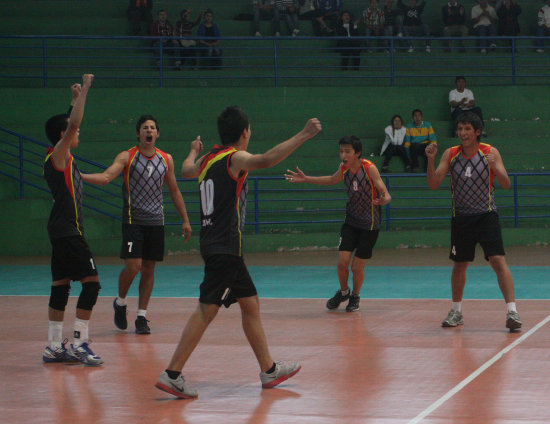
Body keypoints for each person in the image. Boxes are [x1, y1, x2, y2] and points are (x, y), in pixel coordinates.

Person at [154, 107, 321, 399]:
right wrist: (304, 134)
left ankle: (268, 370)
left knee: (250, 304)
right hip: (225, 247)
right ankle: (172, 374)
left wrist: (193, 151)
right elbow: (266, 159)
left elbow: (184, 170)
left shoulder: (207, 160)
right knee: (207, 309)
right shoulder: (234, 157)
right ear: (244, 133)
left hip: (216, 244)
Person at [80, 115, 192, 335]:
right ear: (138, 133)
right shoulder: (127, 156)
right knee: (133, 266)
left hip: (155, 222)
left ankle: (141, 316)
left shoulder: (165, 159)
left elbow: (174, 190)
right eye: (144, 128)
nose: (148, 131)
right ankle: (120, 302)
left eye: (152, 128)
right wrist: (80, 175)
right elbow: (105, 177)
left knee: (149, 268)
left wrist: (185, 219)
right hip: (133, 221)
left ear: (157, 134)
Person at [425, 111, 522, 332]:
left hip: (486, 215)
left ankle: (512, 312)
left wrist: (495, 166)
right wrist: (430, 160)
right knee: (460, 265)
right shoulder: (450, 155)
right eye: (460, 129)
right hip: (461, 218)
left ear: (477, 131)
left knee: (498, 261)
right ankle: (456, 311)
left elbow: (506, 184)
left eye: (468, 129)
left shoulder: (490, 152)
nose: (463, 133)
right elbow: (433, 183)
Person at [285, 136, 391, 313]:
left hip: (370, 224)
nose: (343, 154)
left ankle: (355, 296)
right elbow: (331, 179)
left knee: (357, 266)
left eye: (347, 151)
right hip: (351, 221)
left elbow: (385, 192)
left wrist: (384, 199)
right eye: (341, 151)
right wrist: (306, 179)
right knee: (342, 262)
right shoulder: (344, 168)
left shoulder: (369, 168)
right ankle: (344, 292)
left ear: (357, 153)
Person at [42, 74, 103, 366]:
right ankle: (79, 343)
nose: (77, 133)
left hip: (60, 230)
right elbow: (73, 125)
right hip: (67, 231)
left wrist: (72, 100)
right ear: (62, 136)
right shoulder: (58, 155)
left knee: (61, 286)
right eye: (70, 132)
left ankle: (54, 346)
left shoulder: (58, 155)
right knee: (91, 283)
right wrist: (85, 92)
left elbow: (69, 123)